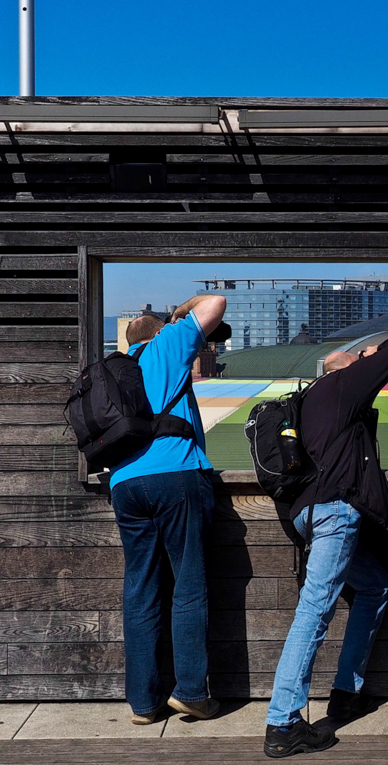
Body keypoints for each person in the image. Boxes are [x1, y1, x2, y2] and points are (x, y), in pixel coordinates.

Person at [263, 328, 388, 758]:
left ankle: (345, 693)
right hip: (335, 513)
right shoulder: (344, 386)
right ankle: (282, 722)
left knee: (373, 587)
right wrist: (373, 352)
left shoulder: (308, 399)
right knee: (314, 611)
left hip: (305, 513)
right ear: (347, 369)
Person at [111, 294, 227, 726]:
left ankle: (143, 703)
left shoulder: (121, 369)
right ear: (157, 332)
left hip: (125, 484)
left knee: (140, 590)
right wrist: (182, 312)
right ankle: (192, 692)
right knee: (189, 585)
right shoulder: (166, 345)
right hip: (175, 475)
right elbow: (216, 302)